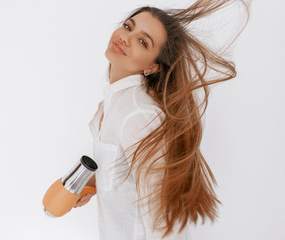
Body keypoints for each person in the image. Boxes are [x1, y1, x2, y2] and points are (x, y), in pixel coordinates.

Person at [74, 1, 250, 239]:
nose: (126, 37)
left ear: (153, 66)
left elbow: (164, 217)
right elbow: (126, 170)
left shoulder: (138, 114)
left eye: (143, 41)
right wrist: (91, 184)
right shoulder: (115, 102)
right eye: (128, 27)